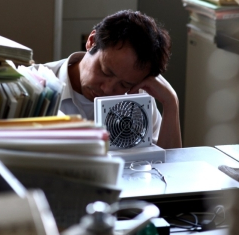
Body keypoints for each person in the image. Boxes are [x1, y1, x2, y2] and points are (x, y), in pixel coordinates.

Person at [37, 10, 182, 149]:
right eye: (105, 71)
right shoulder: (34, 85)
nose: (107, 89)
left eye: (124, 84)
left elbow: (168, 167)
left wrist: (171, 103)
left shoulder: (139, 100)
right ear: (92, 41)